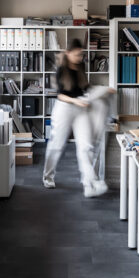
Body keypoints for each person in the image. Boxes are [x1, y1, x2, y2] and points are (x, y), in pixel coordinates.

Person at [42, 39, 109, 197]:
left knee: (86, 146)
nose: (80, 58)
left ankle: (88, 183)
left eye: (81, 54)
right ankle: (48, 177)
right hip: (64, 108)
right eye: (77, 54)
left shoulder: (81, 67)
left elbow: (85, 88)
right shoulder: (61, 69)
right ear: (68, 53)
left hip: (80, 108)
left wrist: (103, 90)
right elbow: (60, 95)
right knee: (56, 145)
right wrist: (75, 101)